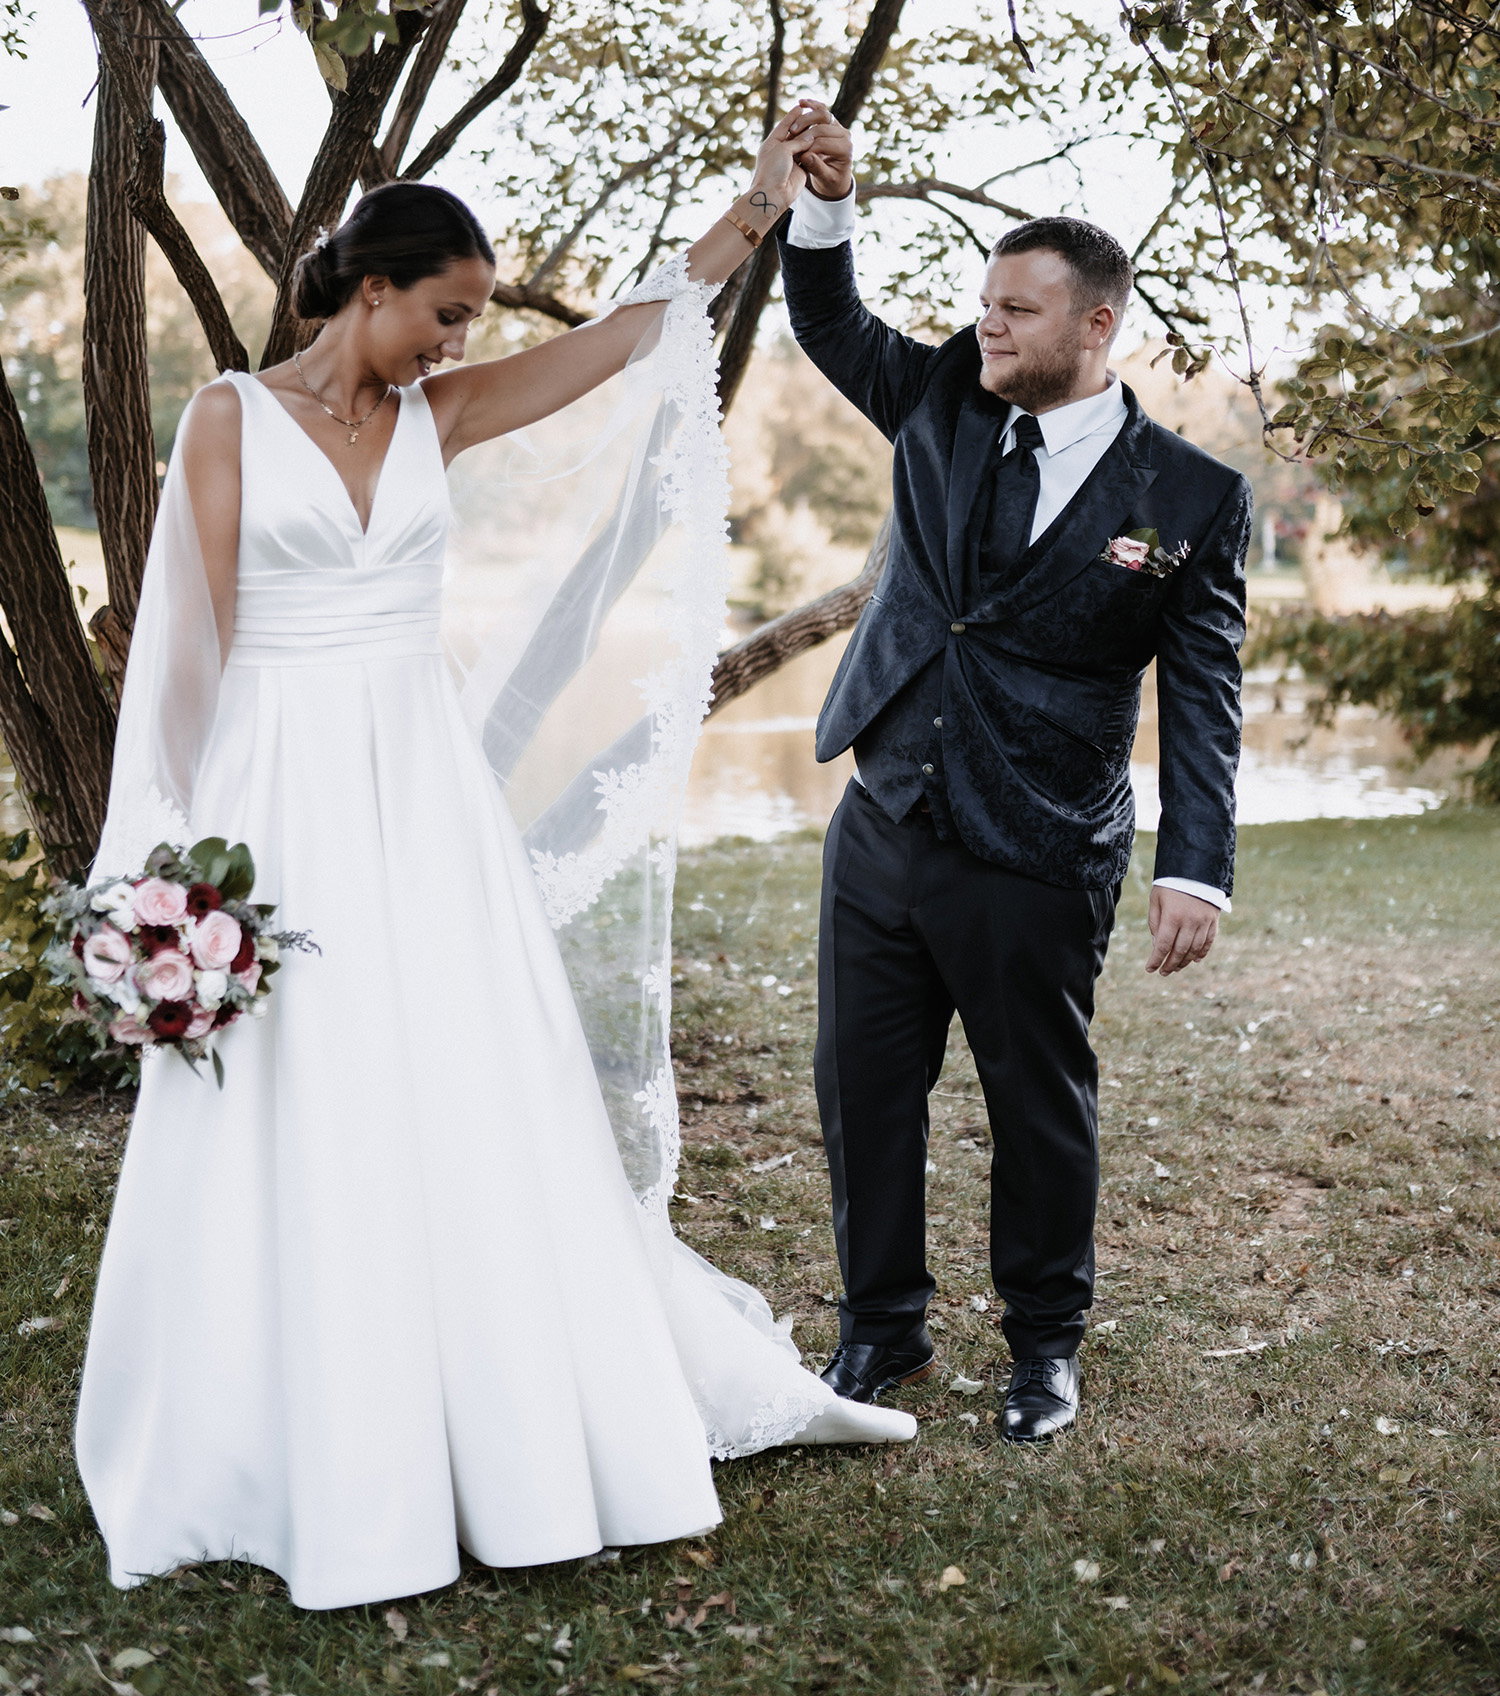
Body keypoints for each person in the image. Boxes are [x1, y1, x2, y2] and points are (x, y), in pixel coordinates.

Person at [76, 114, 915, 1617]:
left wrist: (757, 210)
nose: (457, 338)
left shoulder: (438, 417)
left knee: (459, 1079)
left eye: (467, 320)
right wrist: (165, 873)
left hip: (420, 795)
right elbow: (188, 647)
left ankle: (512, 1412)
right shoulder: (226, 419)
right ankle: (294, 1433)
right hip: (277, 794)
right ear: (373, 288)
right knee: (302, 1087)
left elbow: (619, 343)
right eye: (446, 310)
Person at [778, 100, 1252, 1445]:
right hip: (884, 817)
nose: (991, 327)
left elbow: (1205, 694)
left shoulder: (1190, 500)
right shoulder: (939, 396)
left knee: (1037, 1103)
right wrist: (827, 203)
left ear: (1097, 325)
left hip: (1040, 840)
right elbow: (827, 325)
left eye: (1021, 311)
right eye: (985, 304)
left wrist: (1196, 865)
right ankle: (881, 1330)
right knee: (862, 1085)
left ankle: (1044, 1347)